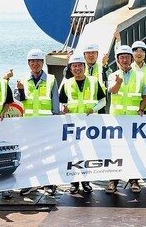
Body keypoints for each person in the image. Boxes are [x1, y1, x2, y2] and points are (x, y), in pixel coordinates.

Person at [15, 48, 60, 195]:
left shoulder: (52, 79)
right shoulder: (23, 80)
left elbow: (55, 103)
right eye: (32, 61)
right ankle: (32, 182)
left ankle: (49, 183)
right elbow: (19, 99)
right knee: (31, 154)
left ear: (43, 63)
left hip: (46, 123)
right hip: (29, 124)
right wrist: (20, 90)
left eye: (38, 61)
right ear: (28, 63)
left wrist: (55, 121)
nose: (35, 64)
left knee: (49, 154)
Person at [106, 44, 146, 194]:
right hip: (116, 120)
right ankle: (113, 181)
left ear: (131, 59)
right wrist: (118, 83)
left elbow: (145, 96)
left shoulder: (140, 76)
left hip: (133, 120)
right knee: (115, 151)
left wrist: (142, 109)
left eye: (127, 57)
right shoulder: (113, 75)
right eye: (121, 57)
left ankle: (134, 180)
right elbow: (113, 90)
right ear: (117, 60)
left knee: (133, 150)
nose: (124, 60)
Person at [60, 55, 106, 194]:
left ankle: (86, 181)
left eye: (80, 65)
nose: (77, 68)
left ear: (84, 67)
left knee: (87, 153)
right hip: (73, 126)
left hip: (89, 125)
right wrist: (64, 109)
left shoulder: (94, 81)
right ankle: (74, 182)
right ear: (70, 68)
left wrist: (94, 109)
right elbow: (61, 103)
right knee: (73, 154)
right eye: (74, 66)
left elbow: (103, 101)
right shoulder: (67, 83)